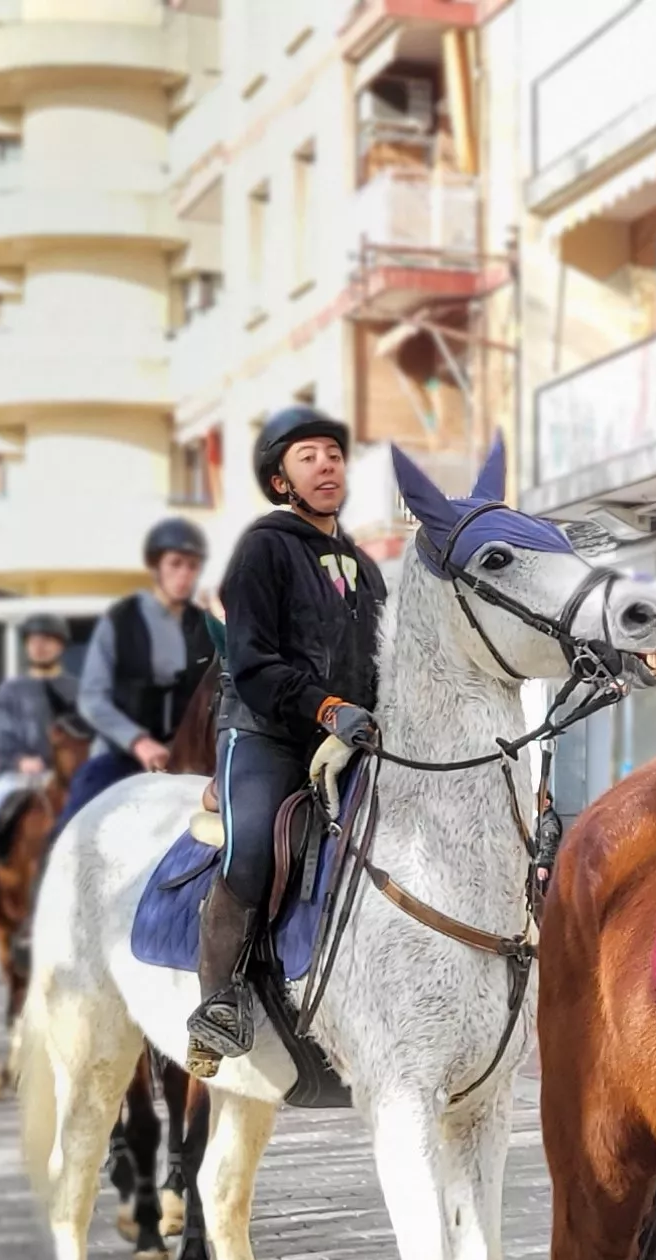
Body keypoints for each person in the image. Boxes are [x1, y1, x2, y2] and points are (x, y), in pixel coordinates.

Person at [183, 404, 384, 1077]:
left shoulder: (362, 565)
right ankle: (218, 1001)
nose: (326, 463)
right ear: (280, 483)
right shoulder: (263, 549)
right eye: (307, 456)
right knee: (253, 852)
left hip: (349, 731)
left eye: (333, 452)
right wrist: (327, 709)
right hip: (265, 731)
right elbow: (253, 661)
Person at [57, 516, 217, 836]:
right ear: (156, 566)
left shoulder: (204, 626)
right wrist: (139, 742)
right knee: (73, 825)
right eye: (176, 564)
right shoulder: (120, 620)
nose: (184, 575)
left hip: (187, 762)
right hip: (121, 757)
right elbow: (92, 698)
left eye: (192, 566)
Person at [0, 613, 79, 916]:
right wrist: (19, 759)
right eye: (34, 641)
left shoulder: (76, 690)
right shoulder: (10, 690)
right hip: (18, 774)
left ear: (60, 646)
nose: (40, 647)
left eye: (47, 641)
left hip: (67, 775)